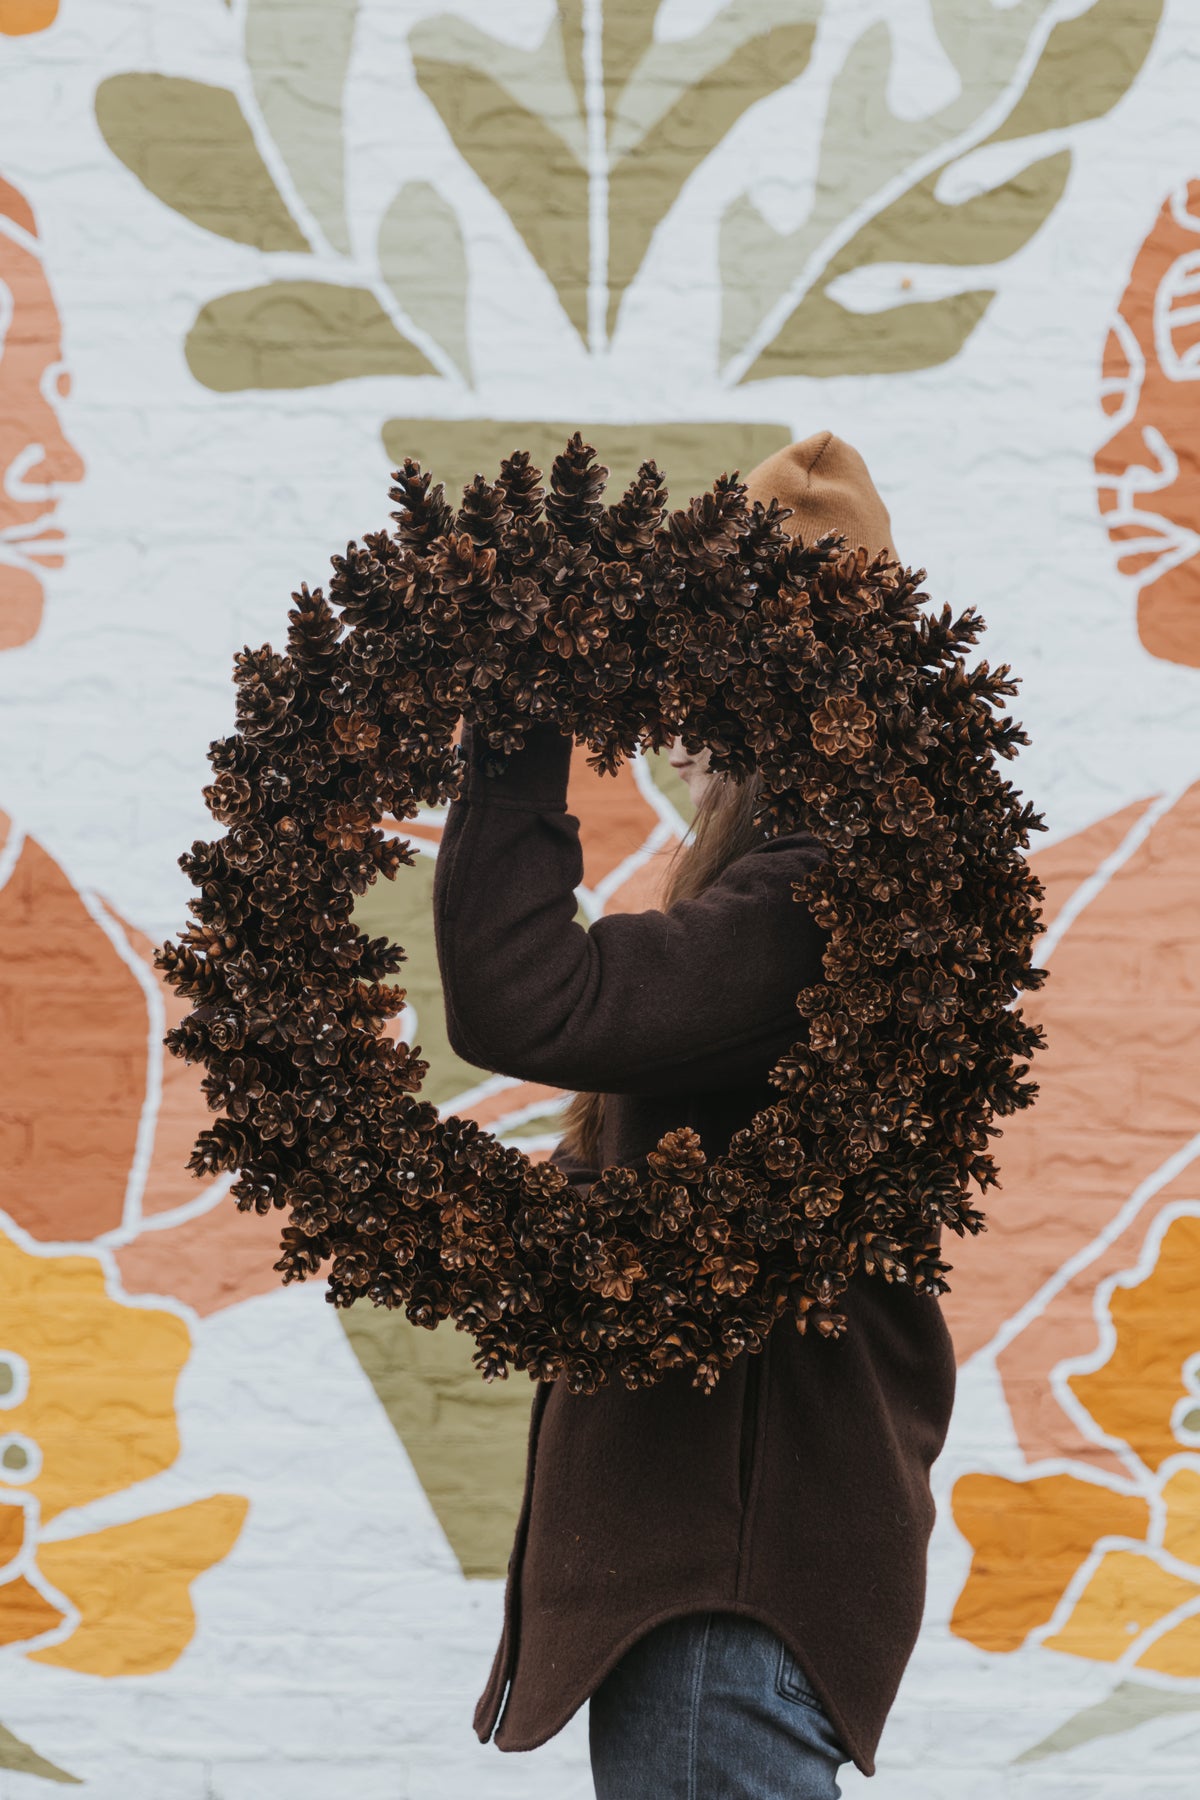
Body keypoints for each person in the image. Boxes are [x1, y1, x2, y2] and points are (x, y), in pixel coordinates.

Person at [431, 430, 958, 1798]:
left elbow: (524, 999)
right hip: (721, 1607)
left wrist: (521, 719)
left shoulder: (822, 902)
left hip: (721, 1610)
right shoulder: (782, 899)